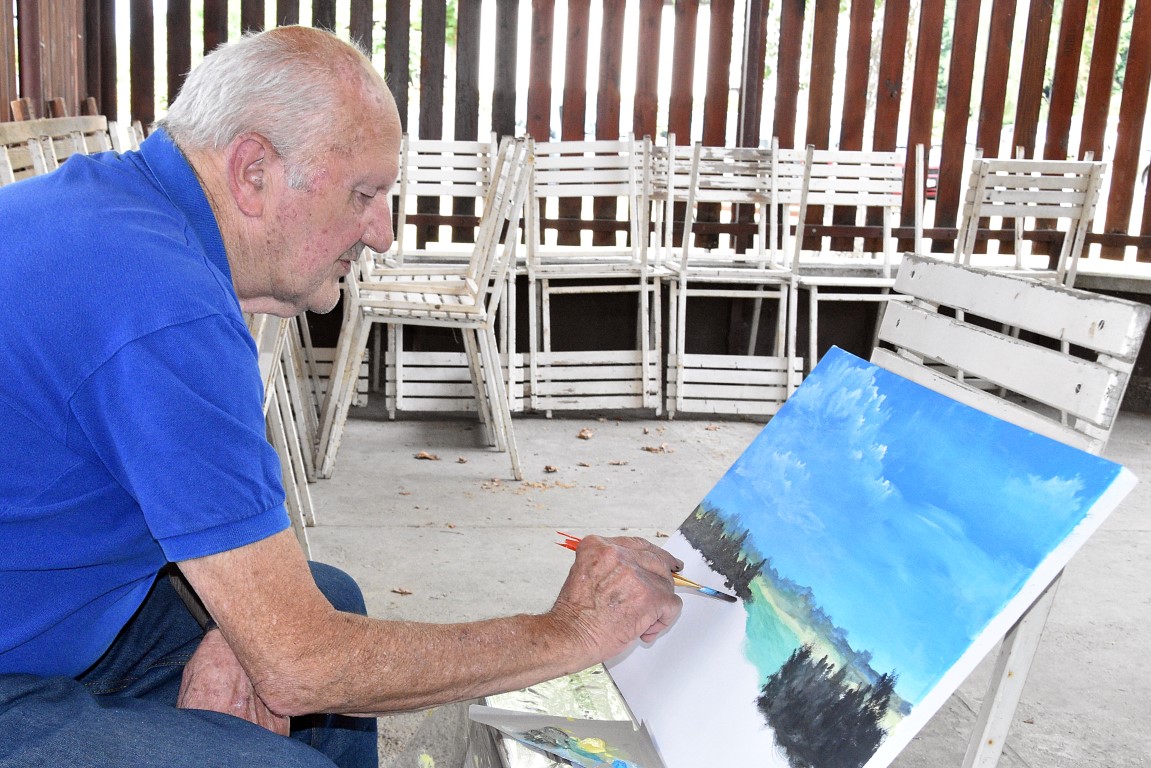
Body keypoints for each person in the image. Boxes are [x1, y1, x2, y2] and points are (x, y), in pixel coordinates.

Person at [0, 25, 683, 768]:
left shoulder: (119, 209)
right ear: (253, 172)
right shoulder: (165, 307)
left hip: (42, 614)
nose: (382, 233)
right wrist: (571, 632)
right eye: (365, 194)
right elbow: (301, 665)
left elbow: (272, 616)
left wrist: (249, 629)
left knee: (325, 599)